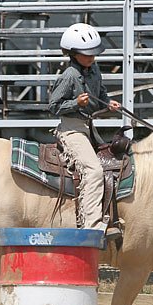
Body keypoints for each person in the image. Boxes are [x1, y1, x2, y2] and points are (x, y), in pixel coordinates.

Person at [48, 22, 122, 239]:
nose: (91, 58)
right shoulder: (69, 75)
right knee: (94, 170)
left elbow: (102, 94)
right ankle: (91, 224)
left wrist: (109, 104)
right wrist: (75, 104)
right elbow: (53, 106)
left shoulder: (94, 70)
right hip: (71, 130)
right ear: (73, 53)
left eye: (93, 54)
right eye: (86, 54)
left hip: (88, 128)